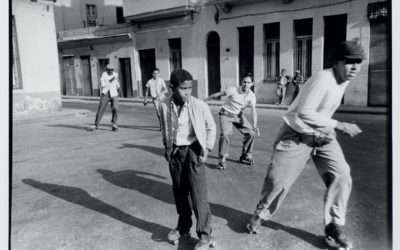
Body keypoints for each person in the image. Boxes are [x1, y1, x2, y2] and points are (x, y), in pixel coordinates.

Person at [246, 41, 365, 250]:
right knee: (278, 182)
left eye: (358, 62)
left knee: (342, 174)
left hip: (322, 134)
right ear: (337, 62)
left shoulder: (344, 80)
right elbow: (305, 113)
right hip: (297, 133)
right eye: (349, 62)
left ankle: (334, 227)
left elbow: (322, 112)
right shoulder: (323, 79)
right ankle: (260, 212)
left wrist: (329, 127)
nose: (354, 67)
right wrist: (340, 125)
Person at [159, 69, 216, 249]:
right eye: (183, 88)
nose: (188, 92)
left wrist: (207, 148)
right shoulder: (163, 105)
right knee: (180, 193)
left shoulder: (199, 105)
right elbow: (164, 128)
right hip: (175, 154)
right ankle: (183, 227)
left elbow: (211, 127)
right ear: (172, 88)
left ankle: (205, 235)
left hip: (193, 152)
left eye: (190, 88)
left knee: (199, 195)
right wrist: (167, 148)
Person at [205, 75, 259, 170]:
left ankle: (245, 155)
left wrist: (255, 126)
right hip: (225, 114)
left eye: (248, 82)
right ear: (241, 82)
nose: (246, 84)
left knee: (251, 133)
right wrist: (204, 100)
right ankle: (222, 160)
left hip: (238, 115)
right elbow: (218, 94)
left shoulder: (251, 95)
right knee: (225, 134)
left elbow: (253, 111)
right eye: (244, 82)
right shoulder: (233, 89)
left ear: (252, 84)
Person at [89, 64, 120, 131]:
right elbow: (103, 85)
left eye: (112, 70)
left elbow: (117, 83)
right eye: (109, 70)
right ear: (106, 70)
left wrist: (118, 88)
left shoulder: (115, 74)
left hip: (114, 93)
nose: (111, 71)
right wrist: (111, 79)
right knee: (101, 109)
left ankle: (114, 123)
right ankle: (96, 124)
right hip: (105, 93)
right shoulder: (104, 75)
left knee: (115, 108)